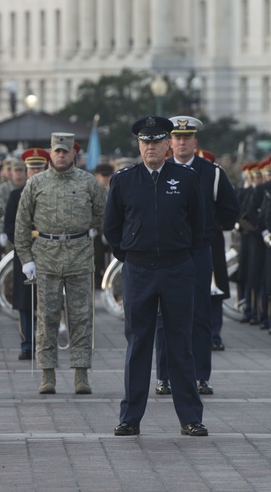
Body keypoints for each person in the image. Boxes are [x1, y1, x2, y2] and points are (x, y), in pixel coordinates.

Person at [103, 116, 208, 438]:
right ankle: (130, 418)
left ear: (167, 145)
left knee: (180, 344)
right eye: (145, 142)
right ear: (139, 145)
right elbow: (111, 228)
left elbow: (199, 226)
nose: (151, 147)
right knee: (138, 344)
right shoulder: (124, 180)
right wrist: (132, 254)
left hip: (177, 269)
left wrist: (180, 255)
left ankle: (190, 417)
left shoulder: (186, 178)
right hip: (138, 270)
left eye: (157, 142)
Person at [14, 132, 107, 395]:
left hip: (79, 255)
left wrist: (91, 232)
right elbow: (22, 223)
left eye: (66, 151)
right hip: (46, 256)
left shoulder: (88, 182)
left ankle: (81, 373)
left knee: (81, 316)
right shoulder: (36, 184)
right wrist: (26, 259)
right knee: (47, 317)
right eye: (57, 151)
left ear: (74, 154)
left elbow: (103, 212)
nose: (62, 155)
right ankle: (47, 373)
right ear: (51, 153)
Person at [158, 116, 239, 396]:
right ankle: (164, 376)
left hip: (200, 251)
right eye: (177, 138)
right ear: (169, 142)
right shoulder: (159, 170)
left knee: (200, 315)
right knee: (164, 315)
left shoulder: (212, 173)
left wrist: (207, 227)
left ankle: (201, 376)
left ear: (195, 142)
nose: (181, 142)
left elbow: (230, 211)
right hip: (167, 253)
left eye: (187, 137)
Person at [6, 148, 51, 360]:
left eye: (39, 167)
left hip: (50, 253)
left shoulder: (52, 193)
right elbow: (9, 227)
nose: (35, 171)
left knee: (47, 301)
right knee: (25, 303)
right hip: (24, 255)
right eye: (32, 168)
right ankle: (27, 344)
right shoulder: (16, 195)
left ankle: (45, 342)